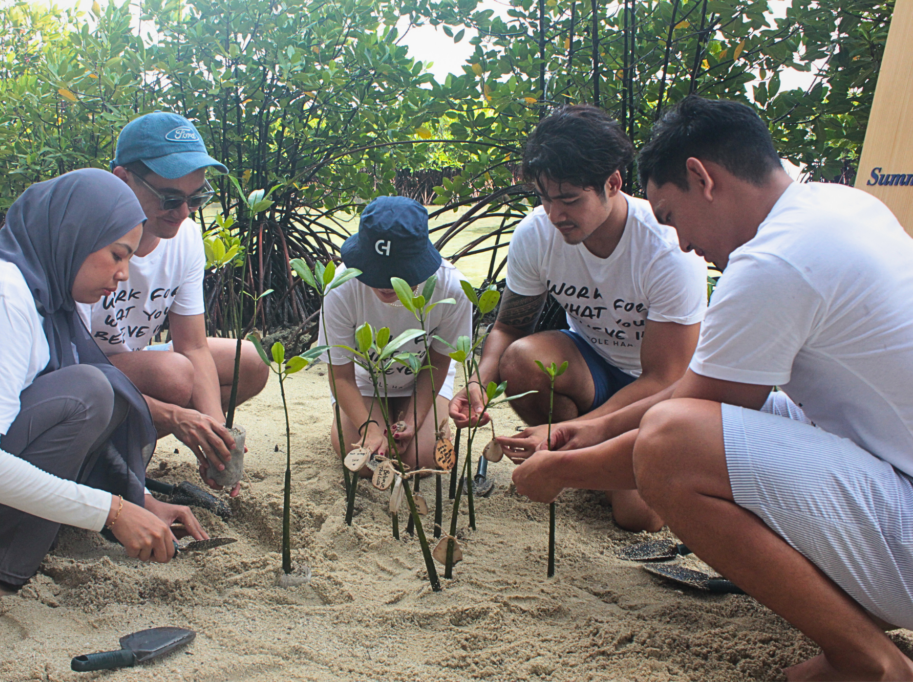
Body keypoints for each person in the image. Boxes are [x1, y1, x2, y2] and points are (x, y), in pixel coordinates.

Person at [511, 96, 913, 681]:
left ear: (702, 178)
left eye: (672, 215)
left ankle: (867, 661)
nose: (681, 242)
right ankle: (861, 626)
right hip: (894, 472)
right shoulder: (841, 206)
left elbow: (678, 434)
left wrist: (560, 471)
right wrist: (593, 429)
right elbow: (702, 394)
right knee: (745, 412)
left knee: (671, 445)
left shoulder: (774, 263)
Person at [0, 169, 207, 604]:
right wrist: (112, 512)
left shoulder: (28, 291)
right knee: (88, 394)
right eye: (117, 255)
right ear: (73, 235)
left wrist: (141, 500)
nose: (122, 274)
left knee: (98, 389)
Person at [450, 105, 707, 531]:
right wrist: (479, 381)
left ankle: (582, 456)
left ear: (613, 183)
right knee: (520, 360)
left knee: (637, 518)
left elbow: (665, 378)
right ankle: (584, 458)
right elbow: (509, 327)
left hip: (657, 388)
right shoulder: (537, 234)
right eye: (545, 198)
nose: (555, 215)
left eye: (570, 199)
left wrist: (566, 432)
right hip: (591, 366)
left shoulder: (665, 251)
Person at [80, 112, 269, 494]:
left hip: (133, 364)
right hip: (80, 371)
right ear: (123, 180)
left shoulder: (186, 238)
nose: (183, 213)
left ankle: (127, 443)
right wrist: (176, 416)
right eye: (169, 199)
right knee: (174, 375)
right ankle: (103, 455)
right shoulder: (88, 241)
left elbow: (193, 345)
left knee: (250, 361)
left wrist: (216, 437)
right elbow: (67, 363)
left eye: (196, 199)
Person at [318, 196, 473, 475]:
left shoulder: (452, 288)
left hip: (421, 379)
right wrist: (368, 428)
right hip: (363, 381)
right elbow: (341, 376)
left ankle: (421, 420)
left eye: (398, 274)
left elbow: (438, 363)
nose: (385, 284)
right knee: (368, 462)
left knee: (419, 458)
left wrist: (412, 421)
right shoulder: (341, 287)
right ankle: (361, 417)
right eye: (375, 271)